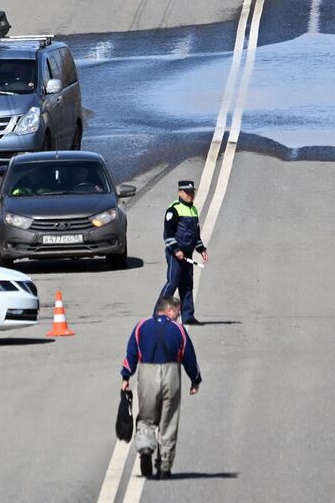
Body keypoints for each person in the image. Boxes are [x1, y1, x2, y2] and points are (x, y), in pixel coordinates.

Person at [120, 293, 202, 479]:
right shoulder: (178, 330)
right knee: (169, 421)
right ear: (170, 310)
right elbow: (189, 356)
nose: (179, 317)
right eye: (178, 313)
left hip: (147, 373)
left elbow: (131, 353)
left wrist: (126, 376)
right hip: (171, 374)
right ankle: (165, 465)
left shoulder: (141, 326)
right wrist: (195, 379)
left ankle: (146, 449)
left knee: (146, 417)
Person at [158, 179, 208, 324]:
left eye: (192, 192)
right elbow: (168, 234)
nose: (190, 195)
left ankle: (188, 316)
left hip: (187, 254)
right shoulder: (173, 209)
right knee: (172, 282)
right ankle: (159, 313)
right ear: (180, 192)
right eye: (187, 193)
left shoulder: (193, 210)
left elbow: (195, 234)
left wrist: (201, 249)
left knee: (187, 284)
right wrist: (176, 250)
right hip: (175, 253)